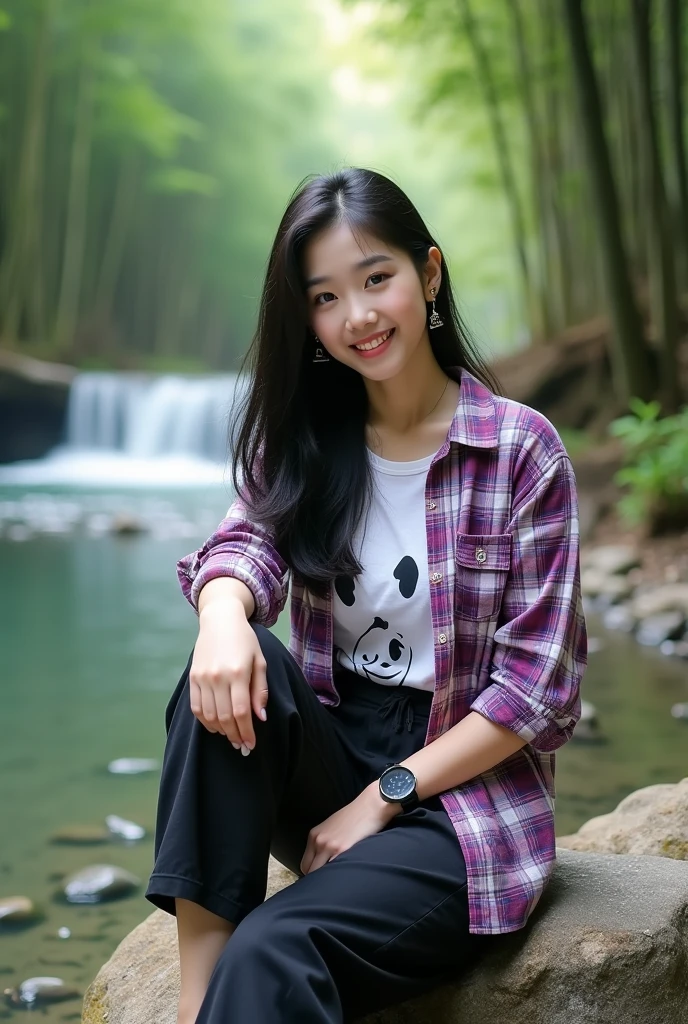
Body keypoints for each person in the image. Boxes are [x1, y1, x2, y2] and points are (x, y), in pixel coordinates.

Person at [145, 167, 587, 1024]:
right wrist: (225, 615)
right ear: (305, 317)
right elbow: (243, 545)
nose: (358, 316)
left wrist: (380, 800)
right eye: (325, 296)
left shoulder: (521, 452)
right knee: (229, 670)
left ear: (428, 274)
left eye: (376, 278)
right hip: (332, 739)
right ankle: (198, 1005)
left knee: (277, 948)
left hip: (462, 795)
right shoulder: (310, 437)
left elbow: (538, 690)